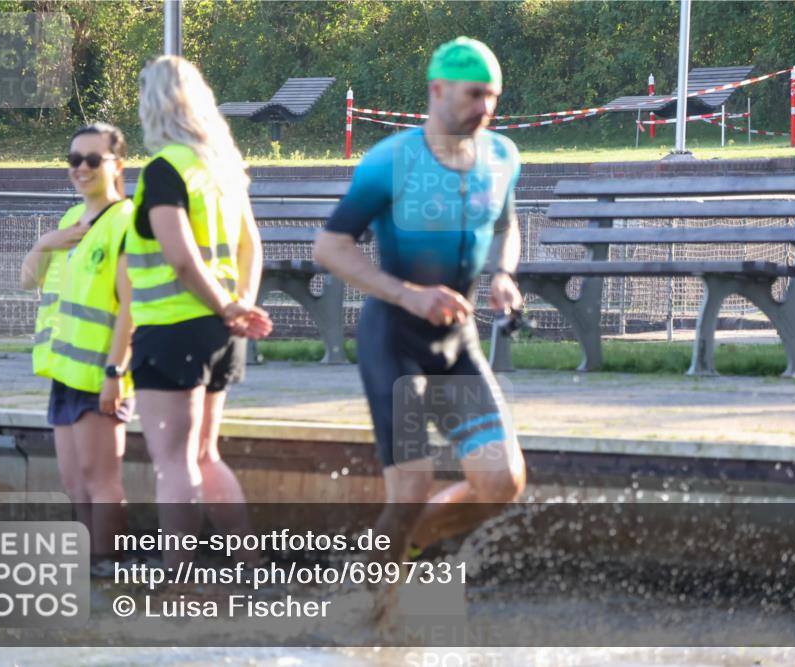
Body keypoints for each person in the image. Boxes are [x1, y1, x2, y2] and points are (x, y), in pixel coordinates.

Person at [313, 37, 526, 606]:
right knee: (409, 488)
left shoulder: (502, 157)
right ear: (437, 89)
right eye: (475, 94)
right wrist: (406, 295)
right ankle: (372, 610)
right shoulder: (391, 161)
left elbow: (507, 227)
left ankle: (390, 557)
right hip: (396, 342)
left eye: (494, 97)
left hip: (457, 343)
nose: (486, 108)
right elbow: (330, 247)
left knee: (502, 481)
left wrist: (503, 274)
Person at [125, 56, 272, 567]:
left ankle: (178, 575)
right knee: (207, 454)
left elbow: (181, 258)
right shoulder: (222, 168)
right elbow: (252, 245)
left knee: (173, 462)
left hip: (172, 330)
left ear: (153, 105)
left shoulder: (165, 170)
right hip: (220, 333)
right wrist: (240, 307)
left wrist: (229, 305)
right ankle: (251, 565)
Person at [21, 122, 135, 567]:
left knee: (102, 484)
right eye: (74, 160)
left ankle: (113, 575)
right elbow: (27, 279)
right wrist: (45, 242)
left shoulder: (126, 222)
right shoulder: (70, 220)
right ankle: (91, 572)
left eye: (92, 160)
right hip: (65, 371)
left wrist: (116, 371)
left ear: (117, 165)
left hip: (100, 372)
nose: (81, 169)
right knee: (75, 484)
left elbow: (130, 307)